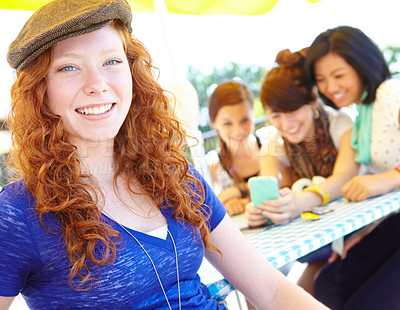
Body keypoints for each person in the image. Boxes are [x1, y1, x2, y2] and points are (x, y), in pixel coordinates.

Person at [0, 0, 330, 309]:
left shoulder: (173, 176)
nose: (98, 84)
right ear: (39, 90)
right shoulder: (17, 212)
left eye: (111, 61)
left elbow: (271, 289)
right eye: (69, 68)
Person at [303, 25, 400, 309]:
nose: (330, 88)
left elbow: (383, 181)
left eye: (339, 75)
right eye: (321, 79)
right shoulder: (362, 116)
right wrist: (366, 233)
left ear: (362, 65)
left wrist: (390, 177)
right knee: (327, 285)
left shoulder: (391, 93)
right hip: (390, 223)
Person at [245, 48, 354, 293]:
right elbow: (267, 184)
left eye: (292, 110)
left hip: (360, 232)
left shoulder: (340, 123)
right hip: (324, 244)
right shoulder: (275, 142)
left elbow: (344, 178)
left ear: (312, 101)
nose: (286, 124)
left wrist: (299, 203)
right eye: (276, 115)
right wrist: (261, 210)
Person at [206, 80, 271, 216]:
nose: (238, 131)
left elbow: (284, 181)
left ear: (254, 115)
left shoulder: (269, 142)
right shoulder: (212, 166)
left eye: (245, 120)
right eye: (227, 123)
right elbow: (214, 207)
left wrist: (238, 192)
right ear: (213, 123)